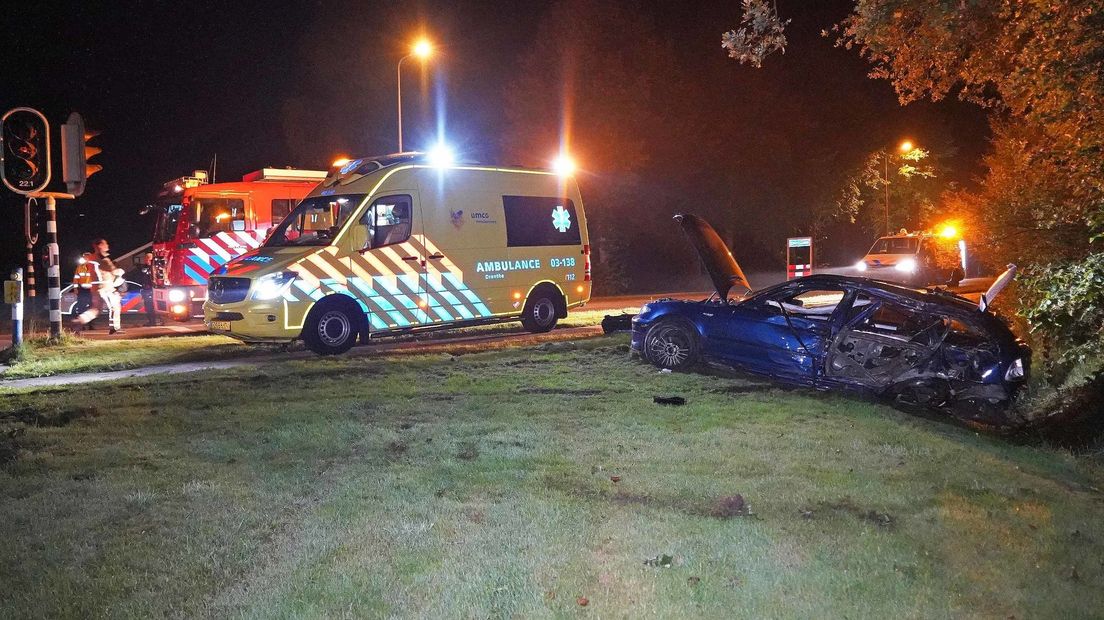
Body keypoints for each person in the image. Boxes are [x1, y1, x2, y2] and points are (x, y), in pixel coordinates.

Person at [93, 239, 126, 335]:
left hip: (106, 288)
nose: (107, 245)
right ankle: (114, 328)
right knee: (113, 307)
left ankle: (114, 327)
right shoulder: (103, 259)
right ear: (100, 246)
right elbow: (113, 271)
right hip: (106, 288)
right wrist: (120, 271)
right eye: (105, 243)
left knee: (114, 307)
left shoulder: (98, 259)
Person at [71, 242, 104, 334]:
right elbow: (76, 278)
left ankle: (91, 325)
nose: (86, 259)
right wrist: (76, 288)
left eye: (87, 257)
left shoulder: (94, 267)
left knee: (92, 307)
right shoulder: (80, 267)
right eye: (84, 257)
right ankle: (82, 325)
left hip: (92, 290)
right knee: (81, 307)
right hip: (82, 290)